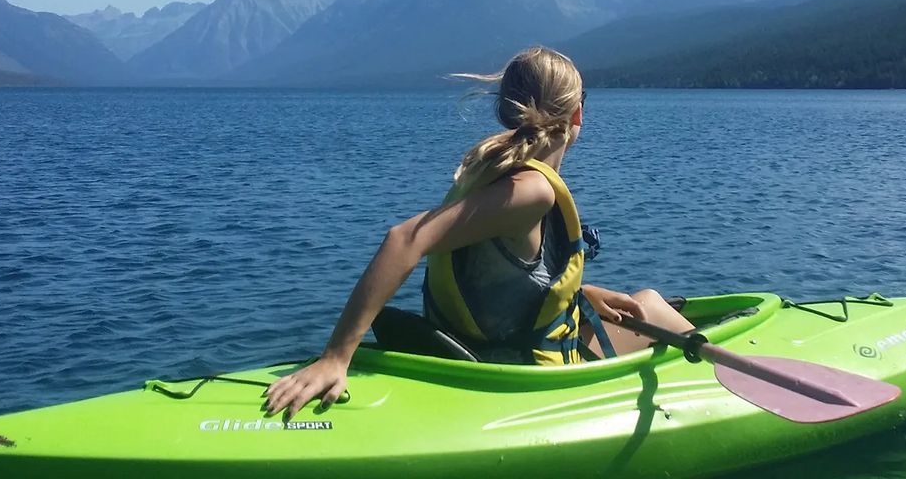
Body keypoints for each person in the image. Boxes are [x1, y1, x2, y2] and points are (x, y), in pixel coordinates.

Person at [262, 46, 695, 420]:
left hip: (489, 347)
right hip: (518, 374)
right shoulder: (534, 190)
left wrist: (583, 294)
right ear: (577, 112)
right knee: (651, 306)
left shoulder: (494, 169)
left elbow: (502, 281)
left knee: (635, 305)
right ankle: (729, 399)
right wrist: (336, 358)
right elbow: (404, 240)